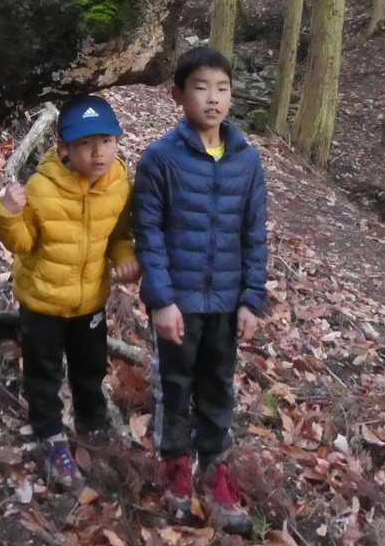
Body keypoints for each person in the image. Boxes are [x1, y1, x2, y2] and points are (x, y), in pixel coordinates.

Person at [133, 45, 267, 534]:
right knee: (174, 386)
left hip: (226, 302)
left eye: (222, 88)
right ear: (178, 95)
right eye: (201, 87)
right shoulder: (160, 159)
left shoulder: (246, 161)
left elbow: (254, 234)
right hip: (180, 301)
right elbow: (149, 234)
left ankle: (215, 473)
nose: (213, 98)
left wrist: (251, 298)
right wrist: (162, 300)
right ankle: (174, 468)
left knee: (217, 387)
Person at [0, 95, 140, 492]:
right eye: (86, 144)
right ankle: (50, 435)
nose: (98, 153)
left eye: (106, 141)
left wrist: (125, 258)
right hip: (43, 302)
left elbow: (118, 235)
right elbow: (22, 243)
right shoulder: (42, 188)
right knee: (43, 372)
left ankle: (93, 425)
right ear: (64, 149)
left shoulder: (119, 184)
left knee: (90, 368)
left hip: (89, 301)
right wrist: (8, 212)